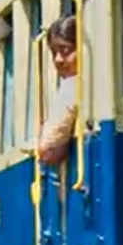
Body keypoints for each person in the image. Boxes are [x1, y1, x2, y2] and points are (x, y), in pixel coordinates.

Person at [37, 16, 78, 166]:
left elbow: (48, 152)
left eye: (65, 51)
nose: (58, 60)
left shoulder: (72, 87)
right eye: (54, 53)